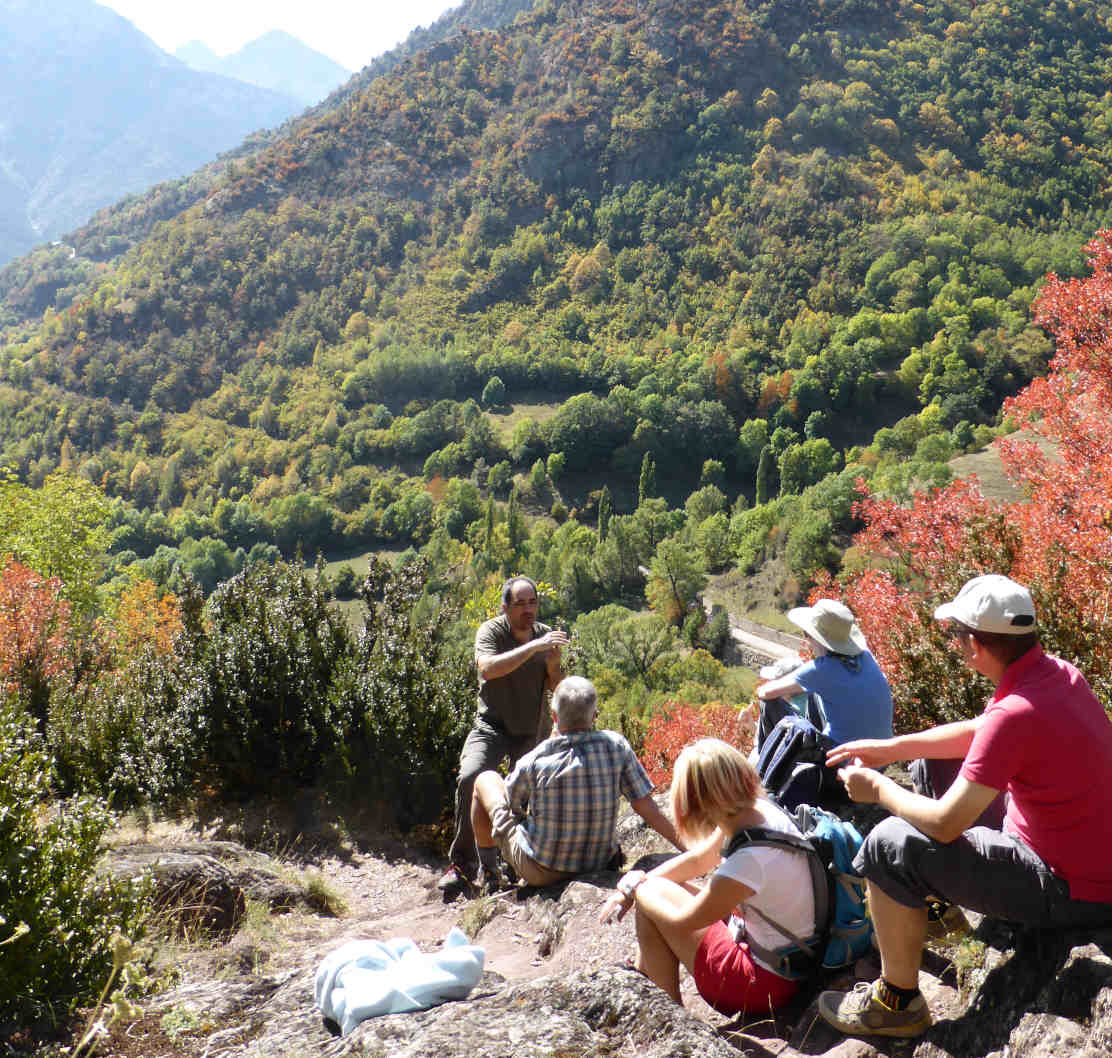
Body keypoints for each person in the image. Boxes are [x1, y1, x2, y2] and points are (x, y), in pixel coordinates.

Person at [818, 574, 1112, 1038]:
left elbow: (946, 823)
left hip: (1069, 888)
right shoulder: (1056, 675)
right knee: (929, 768)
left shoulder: (1014, 714)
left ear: (975, 644)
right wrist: (889, 748)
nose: (954, 644)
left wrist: (876, 788)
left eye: (956, 634)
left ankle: (897, 1003)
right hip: (1084, 857)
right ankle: (934, 910)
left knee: (887, 844)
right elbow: (982, 733)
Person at [598, 738, 816, 1016]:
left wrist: (637, 889)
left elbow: (682, 921)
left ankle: (668, 1016)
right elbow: (701, 859)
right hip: (792, 961)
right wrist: (633, 887)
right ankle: (646, 976)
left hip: (762, 984)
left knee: (650, 898)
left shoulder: (746, 863)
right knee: (654, 890)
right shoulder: (759, 812)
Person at [470, 676, 682, 891]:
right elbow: (645, 806)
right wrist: (689, 849)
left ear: (554, 716)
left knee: (485, 780)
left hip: (541, 870)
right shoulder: (617, 746)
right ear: (594, 715)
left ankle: (490, 873)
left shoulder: (534, 761)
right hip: (599, 864)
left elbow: (511, 807)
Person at [438, 576, 568, 893]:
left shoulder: (544, 636)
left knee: (528, 795)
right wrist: (533, 647)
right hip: (491, 725)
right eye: (520, 603)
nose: (528, 610)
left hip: (530, 731)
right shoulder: (492, 631)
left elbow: (558, 688)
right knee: (471, 777)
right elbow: (487, 668)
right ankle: (463, 865)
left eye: (532, 602)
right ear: (505, 607)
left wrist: (553, 666)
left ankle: (516, 863)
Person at [755, 599, 892, 748]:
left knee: (768, 703)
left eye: (807, 634)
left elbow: (765, 692)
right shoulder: (867, 656)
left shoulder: (821, 669)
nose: (807, 639)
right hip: (881, 755)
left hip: (840, 760)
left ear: (818, 639)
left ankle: (767, 764)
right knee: (814, 692)